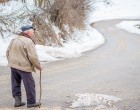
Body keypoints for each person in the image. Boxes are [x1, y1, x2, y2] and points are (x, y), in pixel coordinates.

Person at [6, 25, 42, 108]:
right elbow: (33, 57)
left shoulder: (14, 40)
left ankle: (17, 101)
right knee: (30, 84)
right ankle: (31, 102)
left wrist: (11, 62)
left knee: (16, 83)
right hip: (24, 67)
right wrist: (38, 66)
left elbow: (7, 52)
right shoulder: (29, 42)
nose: (33, 33)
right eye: (33, 31)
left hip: (13, 65)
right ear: (28, 32)